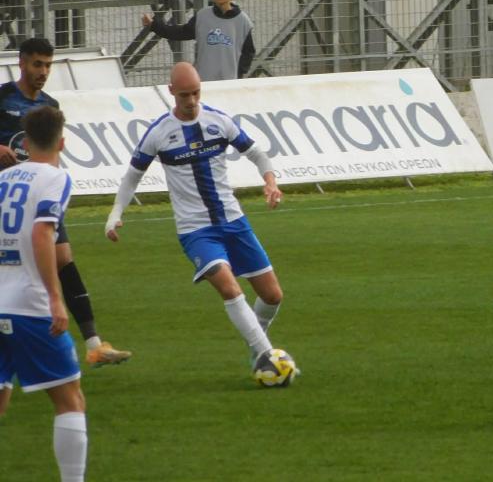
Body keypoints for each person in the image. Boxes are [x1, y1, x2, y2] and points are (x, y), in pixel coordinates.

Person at [105, 62, 284, 370]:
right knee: (230, 289)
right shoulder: (159, 132)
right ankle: (268, 357)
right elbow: (132, 175)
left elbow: (257, 153)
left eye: (196, 93)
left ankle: (257, 345)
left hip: (233, 220)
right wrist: (115, 213)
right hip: (196, 231)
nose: (191, 101)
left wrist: (270, 181)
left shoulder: (218, 121)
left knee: (272, 296)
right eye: (184, 95)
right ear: (171, 91)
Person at [0, 37, 131, 367]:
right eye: (37, 64)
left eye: (48, 65)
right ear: (21, 63)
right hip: (8, 199)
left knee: (63, 259)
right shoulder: (3, 98)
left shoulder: (50, 105)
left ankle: (95, 345)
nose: (43, 72)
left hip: (39, 195)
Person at [0, 106, 88, 482]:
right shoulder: (56, 178)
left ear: (24, 141)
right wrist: (54, 297)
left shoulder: (3, 178)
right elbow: (42, 232)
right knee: (70, 398)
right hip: (29, 304)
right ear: (62, 143)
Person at [142, 0, 255, 81]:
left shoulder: (243, 21)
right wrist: (154, 25)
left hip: (229, 81)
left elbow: (248, 53)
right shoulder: (203, 16)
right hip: (203, 80)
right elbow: (181, 33)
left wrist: (238, 75)